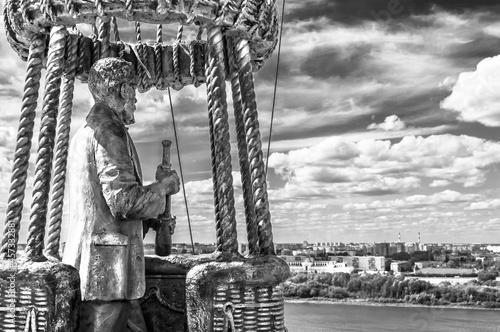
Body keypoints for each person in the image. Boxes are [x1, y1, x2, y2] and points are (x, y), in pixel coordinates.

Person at [62, 57, 180, 332]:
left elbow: (105, 205)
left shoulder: (87, 131)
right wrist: (163, 188)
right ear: (124, 90)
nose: (136, 101)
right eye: (134, 92)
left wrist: (151, 220)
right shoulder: (109, 130)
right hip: (106, 276)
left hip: (107, 273)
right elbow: (123, 202)